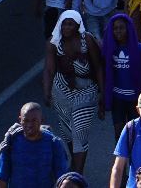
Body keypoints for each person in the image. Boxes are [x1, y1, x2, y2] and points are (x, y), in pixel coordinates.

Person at [42, 10, 103, 173]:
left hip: (86, 90)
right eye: (64, 23)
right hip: (61, 91)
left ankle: (77, 174)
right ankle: (74, 166)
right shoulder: (53, 42)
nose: (67, 27)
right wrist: (47, 92)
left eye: (71, 24)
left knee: (79, 132)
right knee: (68, 133)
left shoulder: (87, 40)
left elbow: (98, 67)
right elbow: (49, 70)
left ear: (77, 26)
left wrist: (103, 95)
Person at [0, 102, 68, 187]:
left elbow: (62, 178)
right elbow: (1, 177)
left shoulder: (54, 144)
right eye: (26, 120)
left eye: (34, 120)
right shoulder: (11, 143)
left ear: (42, 120)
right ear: (20, 120)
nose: (29, 125)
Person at [103, 14, 141, 140]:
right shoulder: (109, 49)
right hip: (117, 99)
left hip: (134, 99)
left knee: (134, 135)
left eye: (121, 28)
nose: (118, 31)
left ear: (128, 29)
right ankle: (121, 160)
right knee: (120, 135)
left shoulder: (140, 50)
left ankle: (134, 159)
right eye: (115, 28)